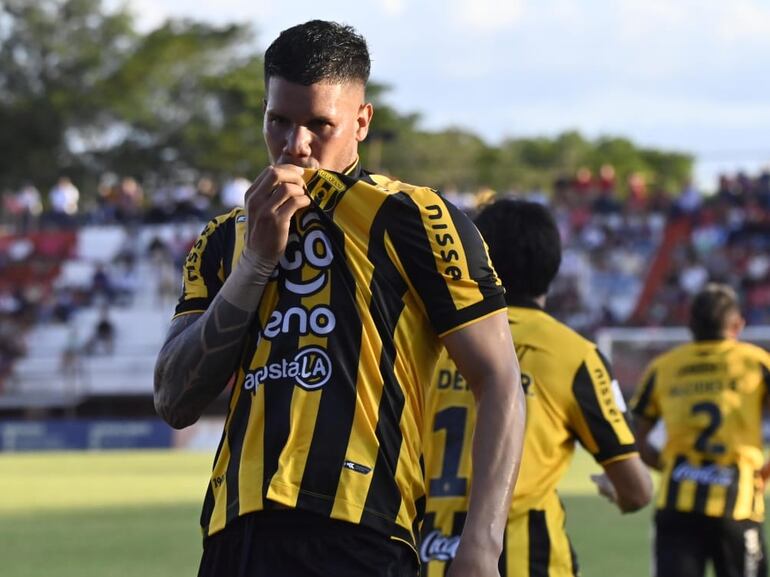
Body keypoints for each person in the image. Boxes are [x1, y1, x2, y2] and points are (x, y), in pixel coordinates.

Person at [154, 20, 525, 577]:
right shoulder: (222, 238)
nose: (294, 145)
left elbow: (498, 377)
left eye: (317, 125)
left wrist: (481, 545)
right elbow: (174, 398)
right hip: (236, 535)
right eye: (278, 121)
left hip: (361, 532)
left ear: (361, 121)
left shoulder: (415, 217)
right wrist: (255, 263)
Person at [421, 198, 652, 577]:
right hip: (530, 560)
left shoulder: (425, 342)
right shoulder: (575, 355)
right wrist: (619, 494)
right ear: (554, 266)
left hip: (419, 552)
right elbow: (637, 490)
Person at [631, 283, 770, 577]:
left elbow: (637, 434)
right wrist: (766, 470)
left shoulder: (664, 367)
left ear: (690, 325)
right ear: (737, 324)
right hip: (738, 504)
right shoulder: (756, 363)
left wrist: (667, 465)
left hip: (676, 504)